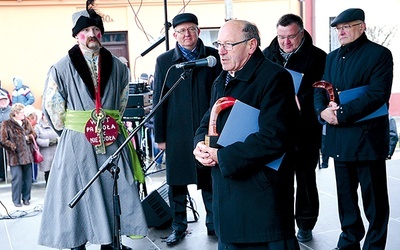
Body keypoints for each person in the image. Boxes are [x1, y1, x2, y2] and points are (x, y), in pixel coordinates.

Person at [38, 3, 148, 250]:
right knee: (76, 193)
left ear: (102, 33)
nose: (91, 35)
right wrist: (74, 131)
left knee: (113, 190)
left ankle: (110, 243)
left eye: (96, 30)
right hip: (77, 143)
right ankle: (77, 243)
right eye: (85, 30)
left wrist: (105, 126)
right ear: (77, 35)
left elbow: (121, 103)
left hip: (110, 139)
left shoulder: (119, 67)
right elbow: (54, 110)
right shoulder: (60, 67)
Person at [193, 19, 300, 249]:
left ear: (251, 46)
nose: (220, 51)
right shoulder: (222, 79)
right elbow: (206, 123)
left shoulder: (275, 78)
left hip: (261, 204)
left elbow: (273, 138)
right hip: (227, 201)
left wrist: (222, 157)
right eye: (219, 43)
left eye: (228, 45)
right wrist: (200, 147)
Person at [314, 8, 393, 250]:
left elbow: (378, 95)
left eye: (346, 27)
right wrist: (321, 112)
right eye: (338, 29)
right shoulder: (332, 57)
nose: (341, 32)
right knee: (346, 199)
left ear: (362, 26)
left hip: (368, 140)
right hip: (341, 140)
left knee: (375, 201)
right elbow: (321, 87)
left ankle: (374, 245)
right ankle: (348, 241)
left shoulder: (380, 54)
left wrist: (341, 114)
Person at [153, 12, 222, 246]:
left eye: (191, 29)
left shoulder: (213, 57)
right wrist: (160, 136)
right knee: (177, 183)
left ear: (199, 31)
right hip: (176, 132)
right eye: (181, 31)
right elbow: (158, 100)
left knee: (210, 179)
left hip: (207, 131)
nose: (187, 34)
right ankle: (178, 227)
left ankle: (214, 225)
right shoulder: (165, 62)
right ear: (174, 35)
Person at [263, 13, 327, 242]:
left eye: (291, 37)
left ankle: (306, 223)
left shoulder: (319, 57)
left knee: (306, 178)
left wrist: (303, 99)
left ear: (301, 33)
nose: (286, 42)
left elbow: (324, 91)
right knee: (276, 178)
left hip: (306, 129)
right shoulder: (266, 56)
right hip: (276, 128)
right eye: (281, 37)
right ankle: (279, 223)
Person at [0, 103, 35, 207]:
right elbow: (2, 140)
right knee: (17, 179)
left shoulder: (26, 122)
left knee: (27, 178)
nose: (24, 114)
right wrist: (12, 146)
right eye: (22, 112)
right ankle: (16, 200)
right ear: (15, 113)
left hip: (27, 155)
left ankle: (26, 198)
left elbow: (34, 134)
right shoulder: (7, 124)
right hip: (14, 157)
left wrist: (28, 138)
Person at [34, 113, 59, 185]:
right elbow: (37, 140)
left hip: (56, 152)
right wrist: (49, 142)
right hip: (46, 153)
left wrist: (57, 140)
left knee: (57, 172)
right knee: (48, 172)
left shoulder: (55, 125)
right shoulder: (38, 127)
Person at [24, 105, 40, 183]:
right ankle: (32, 177)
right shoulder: (26, 122)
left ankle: (33, 177)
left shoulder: (35, 120)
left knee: (34, 161)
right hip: (28, 145)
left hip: (32, 144)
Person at [0, 88, 11, 182]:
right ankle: (2, 175)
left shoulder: (11, 111)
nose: (2, 102)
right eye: (1, 100)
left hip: (10, 137)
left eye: (4, 100)